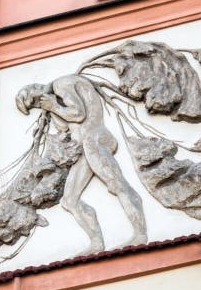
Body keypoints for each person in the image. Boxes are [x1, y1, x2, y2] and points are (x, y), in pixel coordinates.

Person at [15, 75, 147, 254]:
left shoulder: (62, 84)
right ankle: (96, 244)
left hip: (95, 138)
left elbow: (78, 113)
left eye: (35, 102)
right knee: (69, 200)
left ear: (34, 90)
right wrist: (52, 109)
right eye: (35, 106)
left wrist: (53, 105)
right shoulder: (56, 96)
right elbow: (64, 127)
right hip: (83, 146)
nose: (38, 105)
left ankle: (140, 234)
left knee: (117, 184)